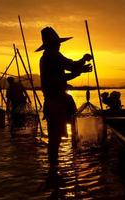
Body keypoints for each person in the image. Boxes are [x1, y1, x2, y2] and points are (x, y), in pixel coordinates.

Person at [36, 27, 92, 167]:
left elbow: (63, 76)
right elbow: (71, 66)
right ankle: (57, 166)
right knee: (56, 137)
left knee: (57, 137)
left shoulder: (47, 58)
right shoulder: (52, 56)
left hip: (56, 101)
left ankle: (55, 167)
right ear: (52, 44)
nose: (60, 44)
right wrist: (83, 60)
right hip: (56, 102)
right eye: (57, 42)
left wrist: (80, 70)